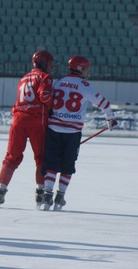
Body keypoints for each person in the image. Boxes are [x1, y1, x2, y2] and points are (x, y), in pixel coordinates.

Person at [41, 55, 118, 211]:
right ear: (81, 69)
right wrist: (110, 118)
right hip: (72, 133)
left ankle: (47, 195)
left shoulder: (59, 82)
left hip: (54, 130)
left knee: (51, 163)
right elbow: (104, 103)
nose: (87, 72)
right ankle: (60, 196)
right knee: (68, 165)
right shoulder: (84, 85)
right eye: (86, 69)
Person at [0, 50, 55, 208]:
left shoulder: (23, 78)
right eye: (50, 63)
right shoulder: (45, 77)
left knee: (11, 158)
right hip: (36, 122)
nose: (51, 67)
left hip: (18, 120)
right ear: (43, 63)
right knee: (41, 159)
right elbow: (44, 96)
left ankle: (0, 191)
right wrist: (56, 106)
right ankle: (40, 193)